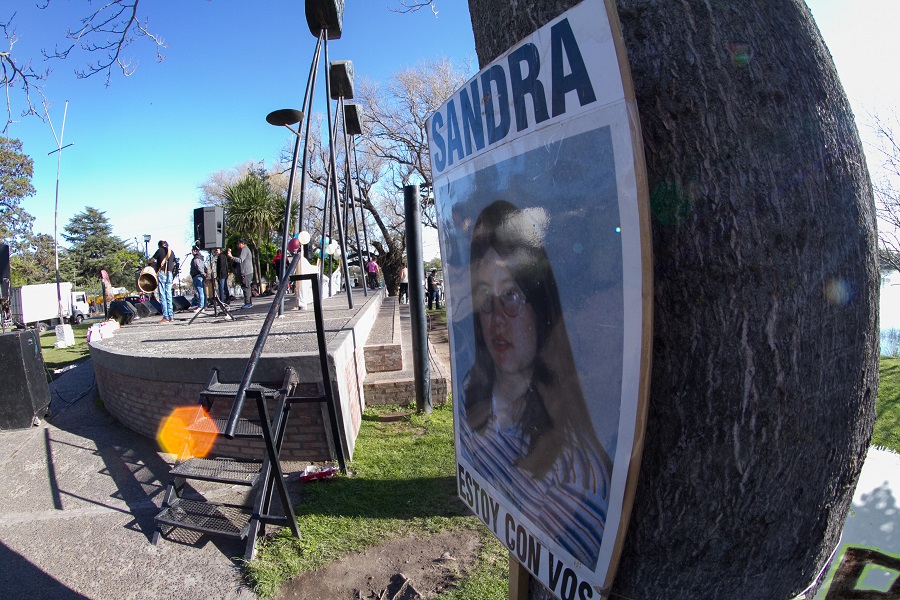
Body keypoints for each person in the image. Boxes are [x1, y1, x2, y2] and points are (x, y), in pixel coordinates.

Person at [460, 200, 612, 568]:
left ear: (539, 302)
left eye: (511, 294)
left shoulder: (577, 474)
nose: (497, 318)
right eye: (485, 297)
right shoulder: (471, 390)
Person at [148, 240, 175, 323]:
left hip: (162, 273)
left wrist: (149, 263)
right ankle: (171, 316)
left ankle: (165, 316)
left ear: (160, 245)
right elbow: (174, 263)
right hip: (170, 273)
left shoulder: (160, 250)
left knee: (162, 295)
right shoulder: (172, 252)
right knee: (169, 295)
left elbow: (152, 260)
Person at [228, 239, 254, 309]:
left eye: (238, 244)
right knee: (245, 287)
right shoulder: (242, 250)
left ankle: (248, 303)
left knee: (246, 287)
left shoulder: (244, 250)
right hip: (245, 272)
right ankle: (248, 302)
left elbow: (240, 260)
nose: (237, 245)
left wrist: (231, 257)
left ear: (242, 243)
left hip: (246, 272)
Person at [189, 247, 207, 311]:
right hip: (200, 276)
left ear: (194, 251)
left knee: (200, 292)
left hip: (197, 276)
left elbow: (198, 267)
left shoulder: (196, 259)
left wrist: (202, 273)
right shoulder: (201, 258)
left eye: (192, 251)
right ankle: (204, 305)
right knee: (202, 291)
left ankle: (201, 306)